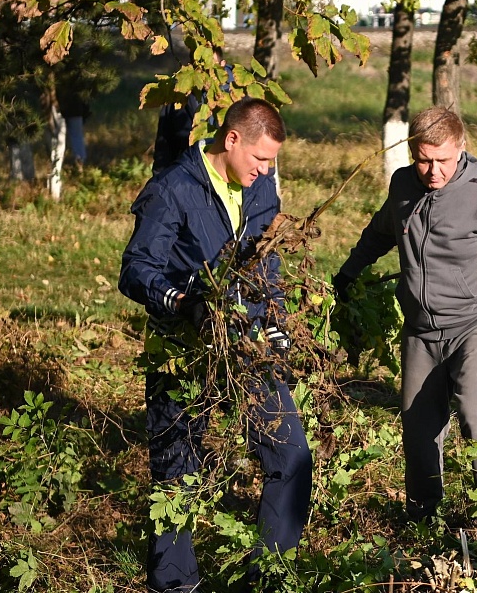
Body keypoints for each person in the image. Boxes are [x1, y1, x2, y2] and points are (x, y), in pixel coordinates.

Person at [120, 98, 311, 593]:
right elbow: (137, 269)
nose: (266, 171)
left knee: (291, 456)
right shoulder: (174, 188)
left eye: (271, 162)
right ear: (231, 140)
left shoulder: (260, 183)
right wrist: (183, 303)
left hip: (245, 343)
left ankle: (267, 578)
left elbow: (263, 261)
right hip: (184, 347)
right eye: (259, 159)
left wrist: (276, 326)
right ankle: (176, 585)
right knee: (177, 471)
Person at [334, 107, 477, 525]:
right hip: (421, 332)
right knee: (418, 426)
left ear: (460, 149)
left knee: (473, 412)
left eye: (442, 160)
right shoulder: (403, 184)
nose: (432, 171)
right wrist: (350, 271)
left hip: (475, 326)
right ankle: (423, 512)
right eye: (423, 159)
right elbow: (379, 232)